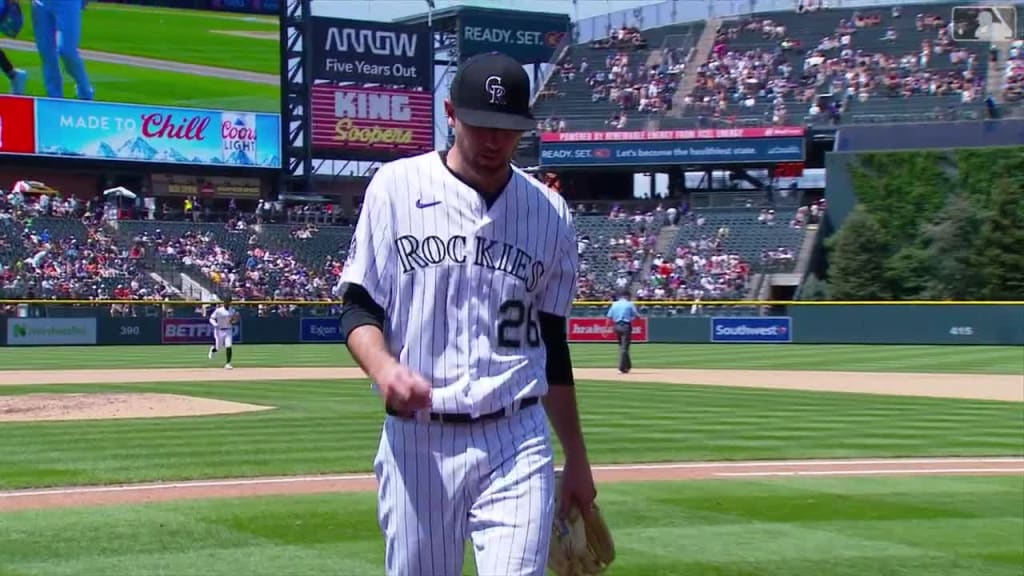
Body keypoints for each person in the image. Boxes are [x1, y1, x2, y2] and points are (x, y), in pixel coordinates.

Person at [337, 51, 597, 576]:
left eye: (508, 128)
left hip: (516, 436)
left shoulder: (550, 213)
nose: (494, 141)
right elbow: (357, 307)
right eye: (480, 124)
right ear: (451, 113)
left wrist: (576, 456)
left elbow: (553, 345)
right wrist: (384, 368)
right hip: (419, 439)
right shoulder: (395, 188)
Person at [31, 0, 93, 100]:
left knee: (67, 51)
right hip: (40, 4)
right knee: (47, 55)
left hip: (67, 3)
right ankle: (55, 99)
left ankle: (85, 90)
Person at [606, 289, 640, 374]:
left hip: (616, 326)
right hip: (625, 326)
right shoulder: (630, 304)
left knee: (622, 347)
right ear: (627, 296)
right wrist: (632, 319)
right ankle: (621, 368)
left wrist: (606, 328)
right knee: (624, 348)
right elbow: (637, 316)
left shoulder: (614, 304)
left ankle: (627, 366)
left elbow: (609, 317)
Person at [207, 295, 238, 369]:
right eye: (226, 301)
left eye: (229, 302)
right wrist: (215, 324)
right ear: (224, 302)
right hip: (219, 330)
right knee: (218, 347)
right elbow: (211, 319)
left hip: (228, 330)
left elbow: (234, 320)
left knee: (229, 346)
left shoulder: (232, 310)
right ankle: (213, 349)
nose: (227, 303)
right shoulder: (219, 310)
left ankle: (228, 363)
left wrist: (234, 321)